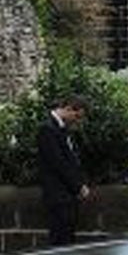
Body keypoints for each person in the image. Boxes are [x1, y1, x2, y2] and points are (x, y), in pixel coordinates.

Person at [37, 94, 90, 245]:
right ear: (68, 109)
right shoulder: (47, 129)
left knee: (67, 238)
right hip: (57, 195)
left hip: (66, 196)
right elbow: (58, 163)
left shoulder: (61, 128)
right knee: (60, 240)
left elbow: (72, 159)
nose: (77, 121)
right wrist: (78, 187)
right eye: (77, 116)